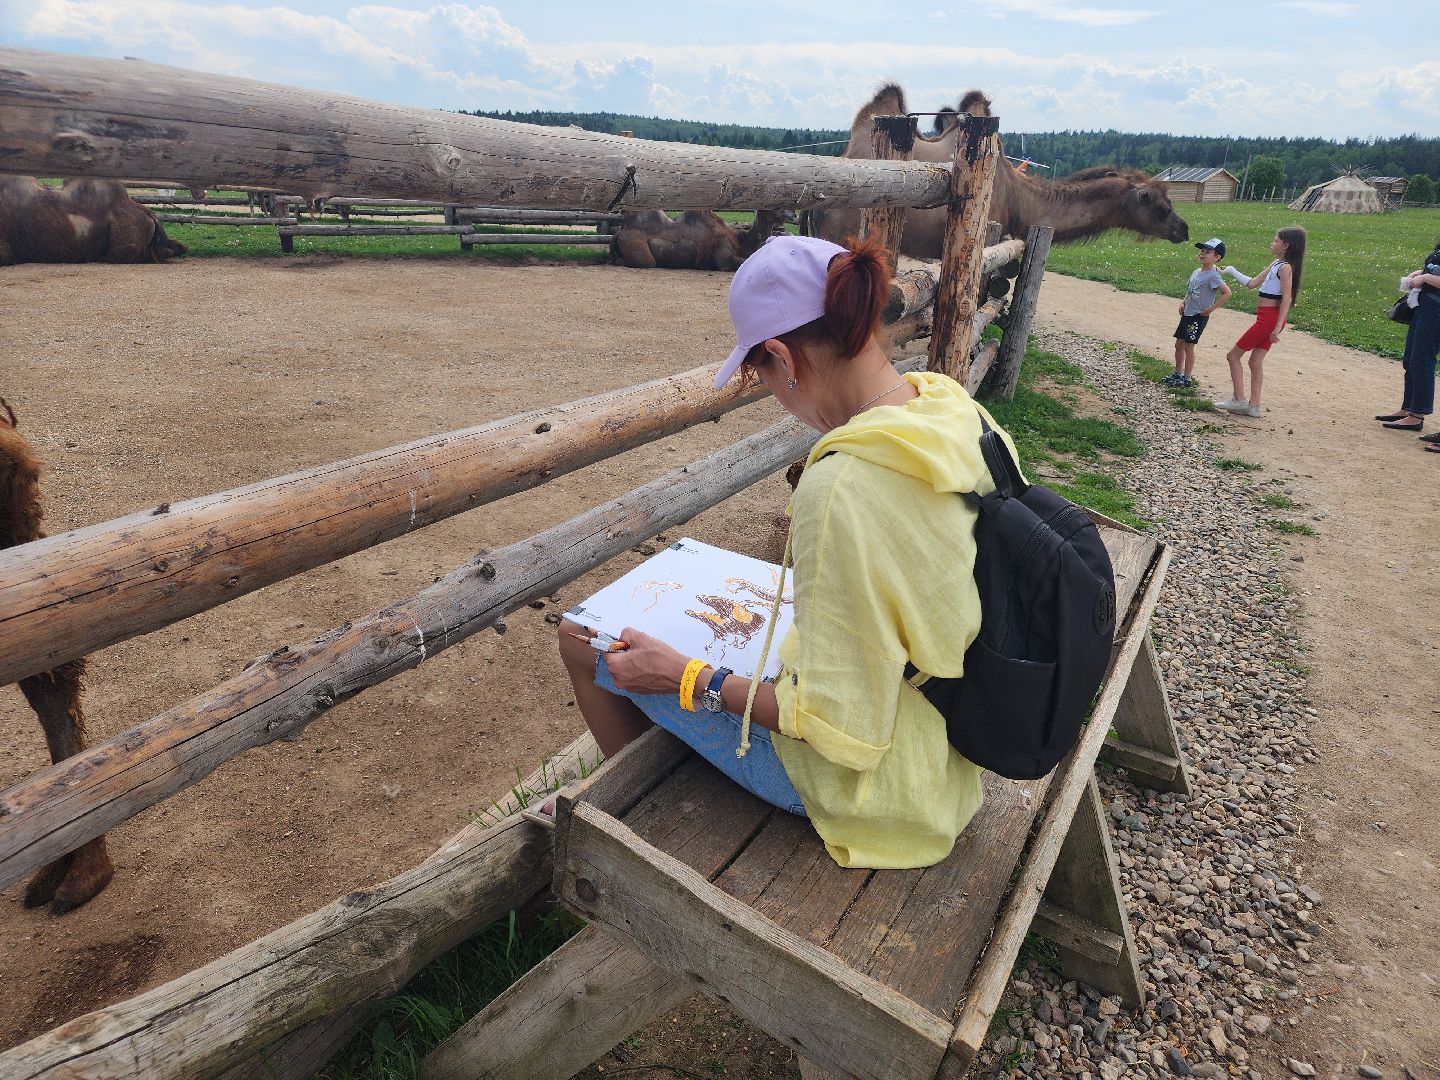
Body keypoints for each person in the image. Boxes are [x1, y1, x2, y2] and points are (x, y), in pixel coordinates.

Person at [552, 235, 1012, 869]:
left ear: (782, 357)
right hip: (941, 746)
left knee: (581, 639)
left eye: (761, 372)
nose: (772, 390)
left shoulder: (843, 484)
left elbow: (843, 728)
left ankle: (644, 848)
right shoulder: (950, 412)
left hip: (877, 796)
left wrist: (686, 676)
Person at [1217, 227, 1307, 417]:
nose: (1272, 243)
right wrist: (1231, 271)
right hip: (1266, 318)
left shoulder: (1285, 268)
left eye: (1275, 241)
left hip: (1269, 319)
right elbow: (1252, 283)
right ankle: (1254, 406)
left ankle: (1239, 400)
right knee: (1255, 361)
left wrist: (1276, 327)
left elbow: (1287, 298)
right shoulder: (1276, 264)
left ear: (1286, 245)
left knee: (1233, 356)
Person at [1376, 241, 1440, 439]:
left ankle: (1417, 414)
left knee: (1422, 360)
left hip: (1435, 310)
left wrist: (1426, 278)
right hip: (1423, 307)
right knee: (1410, 359)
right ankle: (1407, 408)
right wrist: (1419, 273)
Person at [1167, 238, 1232, 388]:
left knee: (1189, 346)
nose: (1202, 253)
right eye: (1202, 250)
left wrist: (1210, 309)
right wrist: (1183, 301)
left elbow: (1227, 293)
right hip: (1188, 313)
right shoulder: (1197, 271)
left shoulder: (1213, 276)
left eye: (1208, 252)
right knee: (1179, 344)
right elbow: (1190, 291)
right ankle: (1177, 373)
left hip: (1197, 316)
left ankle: (1187, 378)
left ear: (1217, 257)